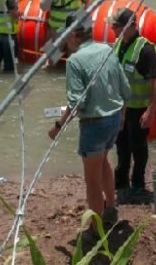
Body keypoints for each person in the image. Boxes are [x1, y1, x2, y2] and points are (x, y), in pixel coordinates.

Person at [48, 15, 130, 236]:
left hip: (94, 125)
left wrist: (57, 126)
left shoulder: (75, 61)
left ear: (74, 35)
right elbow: (125, 88)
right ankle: (111, 209)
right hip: (113, 119)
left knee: (92, 181)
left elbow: (77, 103)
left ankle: (96, 229)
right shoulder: (107, 50)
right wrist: (121, 115)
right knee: (104, 162)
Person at [110, 7, 156, 205]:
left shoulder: (145, 49)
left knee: (138, 147)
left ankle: (138, 184)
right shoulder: (117, 45)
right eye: (113, 26)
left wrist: (150, 111)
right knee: (121, 146)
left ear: (131, 27)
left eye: (117, 26)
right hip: (120, 108)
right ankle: (121, 182)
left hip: (138, 109)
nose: (113, 29)